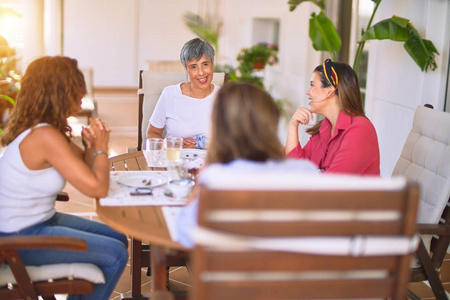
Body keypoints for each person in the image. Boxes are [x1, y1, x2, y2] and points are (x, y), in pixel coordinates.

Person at [0, 56, 128, 300]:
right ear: (59, 92)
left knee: (119, 238)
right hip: (16, 237)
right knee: (115, 254)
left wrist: (92, 145)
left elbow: (86, 165)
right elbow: (97, 188)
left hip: (40, 221)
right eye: (76, 86)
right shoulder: (44, 136)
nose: (83, 93)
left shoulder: (47, 128)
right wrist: (101, 147)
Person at [175, 82, 318, 248]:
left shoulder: (216, 179)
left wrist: (201, 181)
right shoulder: (306, 172)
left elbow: (185, 234)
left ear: (221, 129)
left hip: (236, 270)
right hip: (292, 270)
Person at [285, 59, 380, 175]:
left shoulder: (360, 129)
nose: (308, 92)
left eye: (312, 85)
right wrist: (292, 126)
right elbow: (294, 168)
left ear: (330, 91)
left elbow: (333, 184)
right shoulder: (324, 128)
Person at [146, 38, 220, 149]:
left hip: (211, 162)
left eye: (205, 64)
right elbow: (152, 133)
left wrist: (199, 144)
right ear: (186, 70)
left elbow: (233, 140)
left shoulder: (223, 96)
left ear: (212, 65)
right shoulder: (170, 94)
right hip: (175, 160)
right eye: (193, 66)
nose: (201, 72)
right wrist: (172, 144)